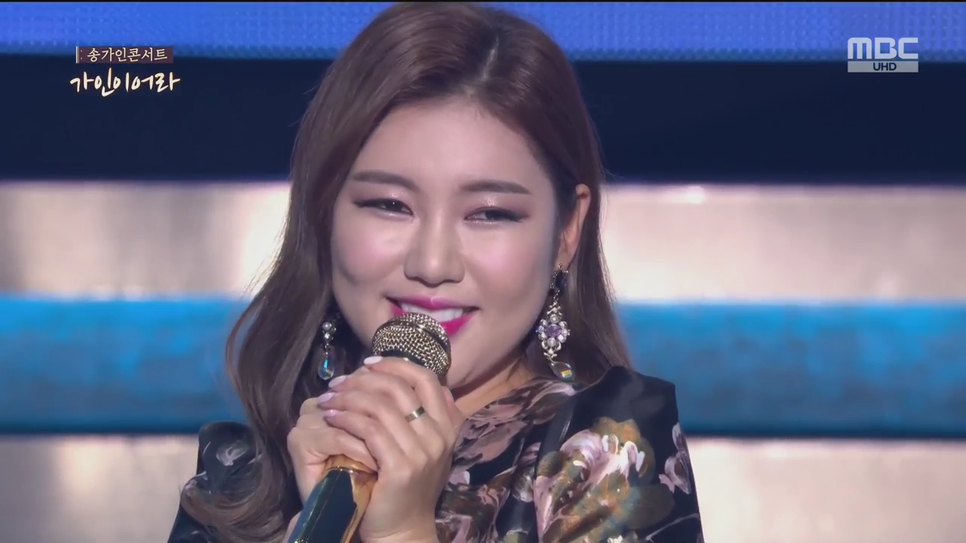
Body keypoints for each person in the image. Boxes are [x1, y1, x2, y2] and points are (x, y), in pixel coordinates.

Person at [168, 2, 704, 542]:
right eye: (389, 205)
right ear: (323, 211)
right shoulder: (240, 478)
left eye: (489, 214)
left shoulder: (609, 453)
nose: (431, 264)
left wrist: (401, 532)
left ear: (566, 231)